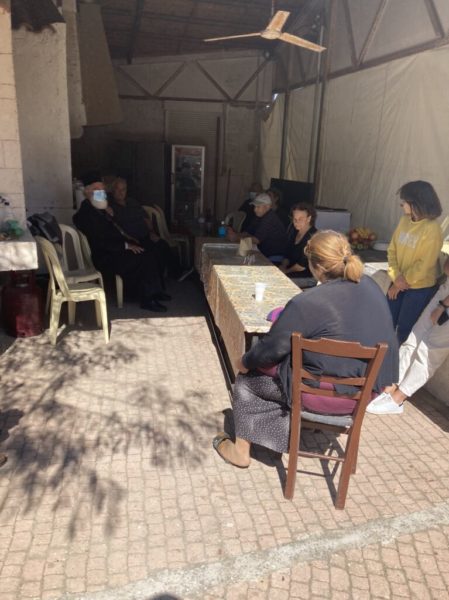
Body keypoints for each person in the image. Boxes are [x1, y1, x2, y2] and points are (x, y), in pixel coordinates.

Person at [213, 230, 399, 467]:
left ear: (316, 267)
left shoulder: (307, 302)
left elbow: (270, 350)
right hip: (364, 394)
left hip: (318, 397)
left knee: (248, 379)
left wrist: (244, 362)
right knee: (289, 367)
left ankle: (241, 452)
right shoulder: (372, 287)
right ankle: (279, 435)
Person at [73, 172, 169, 312]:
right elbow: (99, 240)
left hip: (114, 249)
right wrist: (125, 245)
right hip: (105, 256)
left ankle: (155, 291)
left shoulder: (99, 208)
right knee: (143, 257)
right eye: (96, 190)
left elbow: (113, 229)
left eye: (102, 189)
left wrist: (109, 215)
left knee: (151, 250)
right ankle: (147, 299)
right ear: (87, 192)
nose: (101, 193)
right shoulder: (86, 212)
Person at [367, 253, 449, 415]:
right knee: (413, 339)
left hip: (445, 303)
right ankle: (391, 386)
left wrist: (443, 306)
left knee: (429, 352)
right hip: (445, 290)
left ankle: (398, 399)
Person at [386, 180, 443, 344]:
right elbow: (392, 250)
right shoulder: (404, 220)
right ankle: (383, 356)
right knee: (386, 322)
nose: (402, 205)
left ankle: (397, 359)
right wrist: (396, 277)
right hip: (398, 282)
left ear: (417, 203)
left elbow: (424, 265)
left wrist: (399, 283)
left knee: (405, 330)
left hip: (418, 289)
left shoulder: (432, 228)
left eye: (404, 201)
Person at [109, 177, 182, 280]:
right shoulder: (110, 207)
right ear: (113, 191)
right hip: (132, 240)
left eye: (123, 189)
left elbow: (146, 218)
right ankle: (155, 279)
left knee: (162, 245)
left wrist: (152, 232)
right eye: (118, 189)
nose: (121, 192)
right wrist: (129, 239)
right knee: (150, 253)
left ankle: (175, 274)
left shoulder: (132, 202)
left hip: (146, 235)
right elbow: (115, 228)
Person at [227, 192, 286, 260]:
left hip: (274, 255)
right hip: (263, 251)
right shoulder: (259, 216)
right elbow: (247, 232)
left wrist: (236, 238)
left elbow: (256, 240)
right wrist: (235, 234)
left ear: (267, 207)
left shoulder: (270, 218)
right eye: (254, 206)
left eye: (258, 207)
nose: (255, 210)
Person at [280, 203, 318, 285]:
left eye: (300, 219)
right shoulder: (295, 231)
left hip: (306, 277)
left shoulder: (313, 237)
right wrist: (283, 266)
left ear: (309, 218)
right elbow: (287, 253)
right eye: (295, 219)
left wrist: (285, 271)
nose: (296, 222)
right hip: (291, 271)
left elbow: (301, 266)